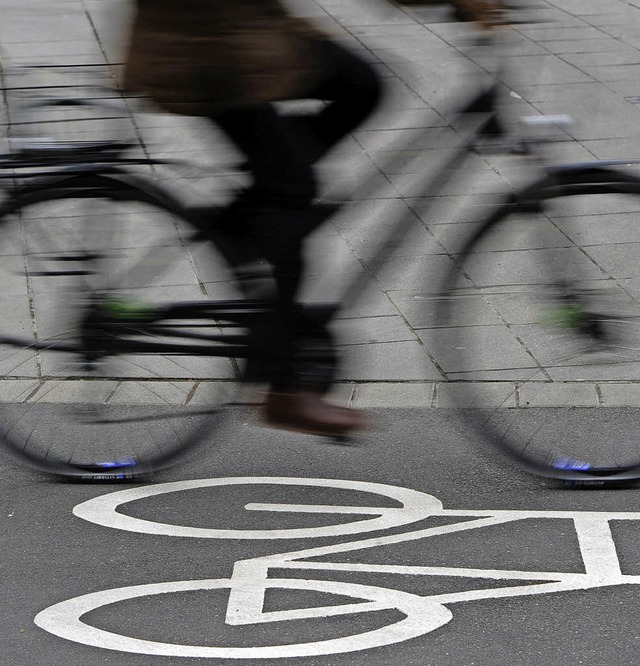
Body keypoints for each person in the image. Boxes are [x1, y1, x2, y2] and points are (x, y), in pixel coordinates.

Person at [123, 0, 506, 436]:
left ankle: (252, 216)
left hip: (240, 32)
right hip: (205, 48)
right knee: (291, 194)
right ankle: (286, 387)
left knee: (360, 87)